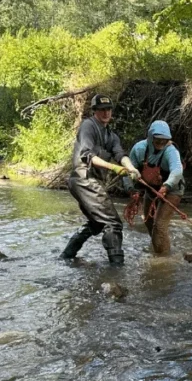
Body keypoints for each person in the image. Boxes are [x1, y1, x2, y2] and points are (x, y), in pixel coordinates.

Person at [60, 94, 140, 266]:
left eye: (108, 109)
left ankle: (66, 256)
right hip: (84, 179)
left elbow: (120, 155)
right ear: (95, 111)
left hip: (89, 182)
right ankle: (117, 268)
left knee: (97, 223)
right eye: (101, 110)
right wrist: (114, 168)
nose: (106, 113)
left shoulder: (112, 135)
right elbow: (87, 155)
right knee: (113, 223)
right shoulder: (88, 126)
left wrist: (131, 168)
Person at [128, 120, 185, 256]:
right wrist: (131, 189)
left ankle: (164, 259)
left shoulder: (170, 151)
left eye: (164, 140)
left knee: (159, 226)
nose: (161, 143)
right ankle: (157, 246)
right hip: (151, 189)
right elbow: (127, 171)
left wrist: (166, 186)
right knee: (148, 221)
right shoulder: (139, 149)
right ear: (150, 137)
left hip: (172, 189)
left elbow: (177, 171)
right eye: (157, 140)